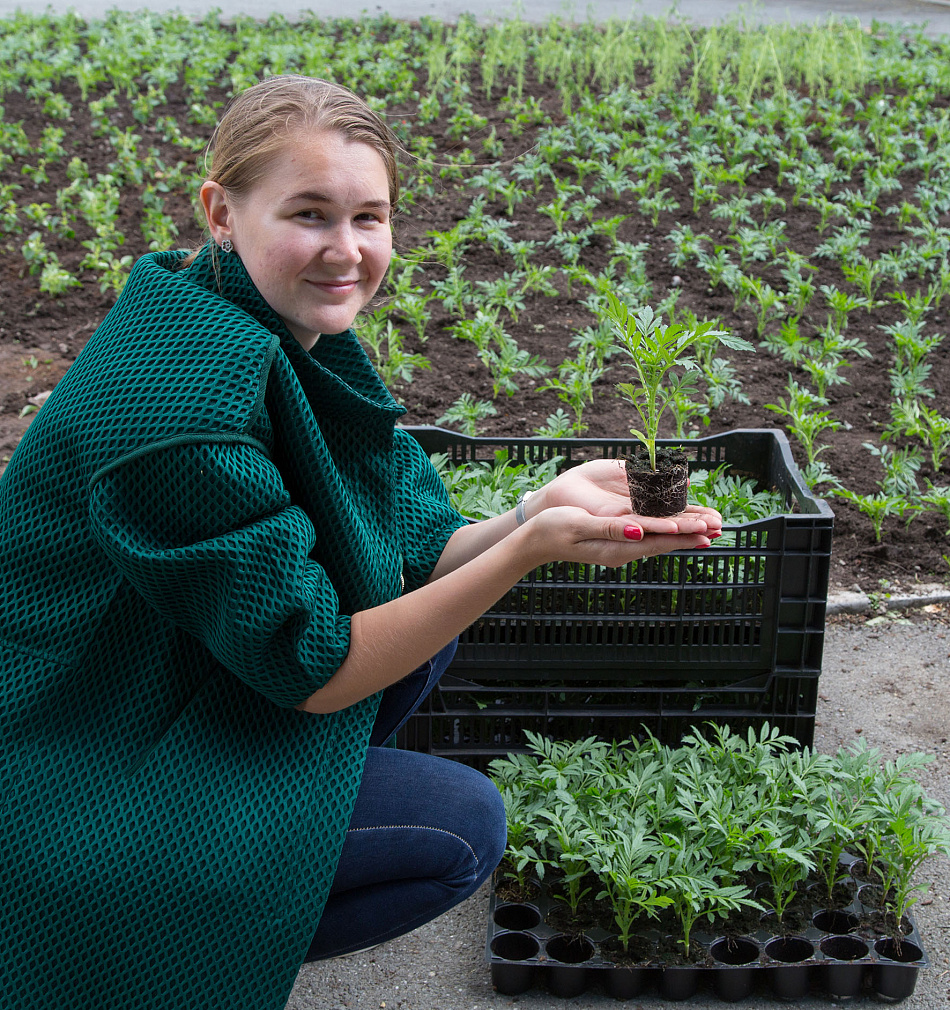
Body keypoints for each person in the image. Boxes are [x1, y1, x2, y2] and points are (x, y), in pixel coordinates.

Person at [0, 75, 721, 1010]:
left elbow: (411, 545)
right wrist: (528, 549)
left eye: (369, 218)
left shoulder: (272, 321)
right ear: (220, 210)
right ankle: (149, 950)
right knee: (460, 827)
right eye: (309, 214)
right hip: (66, 778)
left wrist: (530, 510)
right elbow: (317, 669)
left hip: (133, 695)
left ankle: (239, 877)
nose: (346, 252)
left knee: (413, 610)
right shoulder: (181, 412)